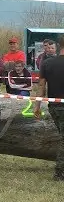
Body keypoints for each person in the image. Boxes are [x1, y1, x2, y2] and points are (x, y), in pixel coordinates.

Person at [34, 35, 64, 181]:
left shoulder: (47, 63)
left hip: (54, 107)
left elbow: (41, 87)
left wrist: (37, 105)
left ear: (59, 46)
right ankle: (59, 173)